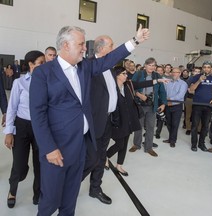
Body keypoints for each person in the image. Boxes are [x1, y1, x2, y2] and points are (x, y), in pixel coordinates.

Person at [29, 25, 150, 216]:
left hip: (82, 144)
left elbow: (109, 58)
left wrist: (134, 41)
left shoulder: (84, 67)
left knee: (70, 198)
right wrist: (48, 148)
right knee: (50, 200)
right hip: (57, 148)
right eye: (81, 44)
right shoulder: (43, 73)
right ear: (66, 45)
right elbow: (37, 114)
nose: (85, 48)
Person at [107, 66, 168, 175]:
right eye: (124, 74)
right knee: (119, 143)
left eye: (126, 73)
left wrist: (158, 80)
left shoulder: (128, 85)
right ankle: (105, 156)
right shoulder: (111, 87)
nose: (126, 76)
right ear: (117, 75)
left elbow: (143, 84)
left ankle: (119, 165)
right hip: (117, 121)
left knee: (124, 144)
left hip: (129, 120)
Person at [4, 50, 45, 208]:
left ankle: (38, 193)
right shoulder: (19, 83)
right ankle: (12, 190)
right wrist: (9, 132)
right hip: (22, 126)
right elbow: (12, 108)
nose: (44, 65)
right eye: (41, 63)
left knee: (39, 163)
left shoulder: (46, 82)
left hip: (40, 127)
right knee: (19, 165)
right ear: (31, 64)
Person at [88, 35, 118, 205]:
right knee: (88, 158)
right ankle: (69, 188)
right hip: (93, 122)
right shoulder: (90, 65)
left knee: (101, 156)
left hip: (108, 120)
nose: (113, 49)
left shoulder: (111, 68)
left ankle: (95, 188)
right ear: (101, 48)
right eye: (111, 45)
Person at [129, 57, 167, 157]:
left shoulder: (157, 75)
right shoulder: (139, 74)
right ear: (145, 65)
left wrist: (163, 103)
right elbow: (131, 86)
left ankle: (148, 147)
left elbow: (162, 91)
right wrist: (138, 94)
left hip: (152, 105)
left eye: (153, 65)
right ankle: (136, 145)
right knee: (138, 126)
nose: (151, 67)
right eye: (149, 65)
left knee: (151, 127)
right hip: (140, 104)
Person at [187, 61, 212, 152]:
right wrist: (199, 81)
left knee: (205, 126)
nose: (206, 69)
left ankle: (201, 143)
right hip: (197, 104)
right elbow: (191, 89)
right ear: (202, 68)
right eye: (204, 67)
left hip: (208, 105)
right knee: (195, 125)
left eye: (208, 67)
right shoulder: (196, 77)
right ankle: (194, 144)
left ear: (211, 68)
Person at [162, 67, 188, 147]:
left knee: (175, 124)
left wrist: (169, 100)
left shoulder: (183, 84)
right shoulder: (168, 82)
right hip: (167, 106)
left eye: (176, 72)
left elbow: (180, 95)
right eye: (173, 72)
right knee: (168, 123)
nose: (174, 74)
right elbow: (165, 92)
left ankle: (173, 140)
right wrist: (166, 100)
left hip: (177, 106)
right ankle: (170, 138)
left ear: (180, 73)